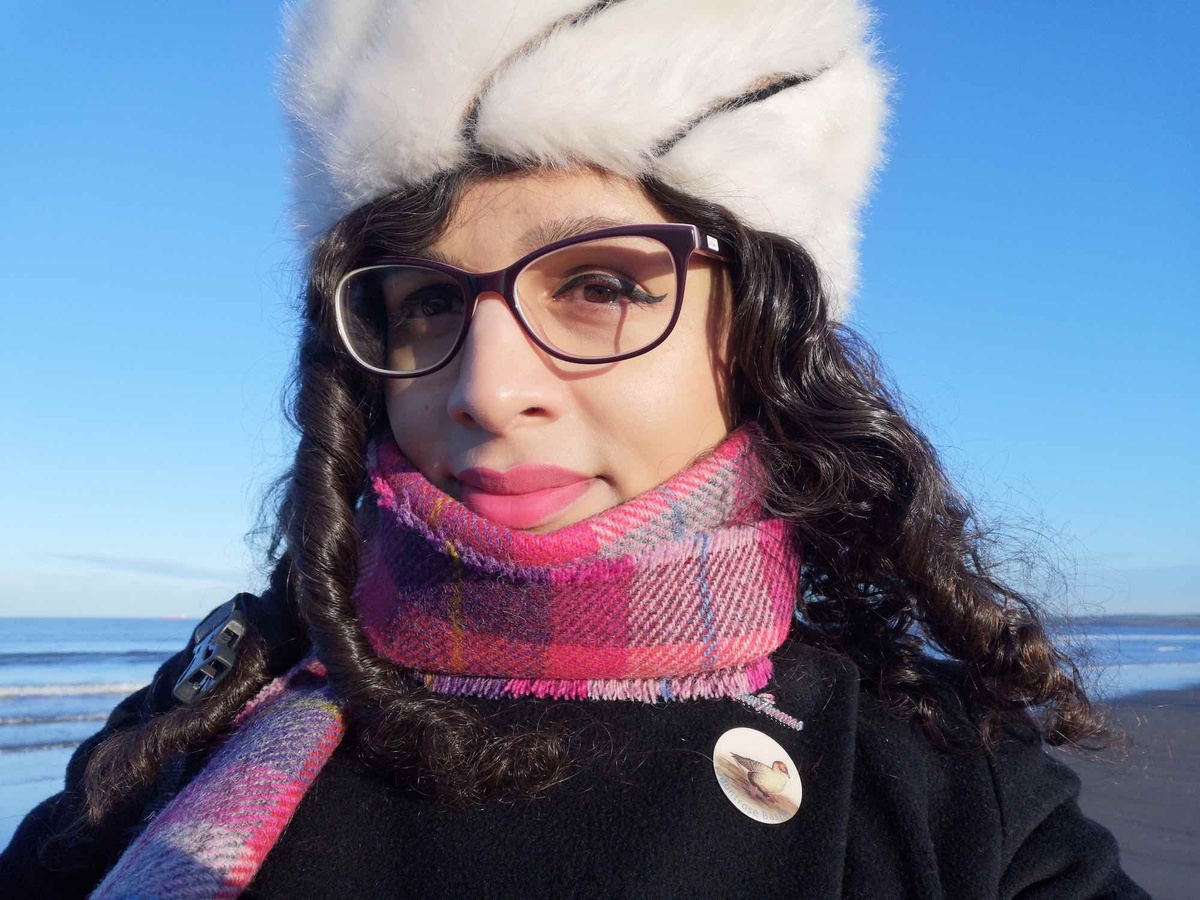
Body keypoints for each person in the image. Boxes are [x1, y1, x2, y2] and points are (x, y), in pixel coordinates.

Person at [0, 1, 1149, 897]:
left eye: (599, 285)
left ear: (759, 333)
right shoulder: (217, 698)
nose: (488, 391)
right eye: (426, 307)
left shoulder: (943, 789)